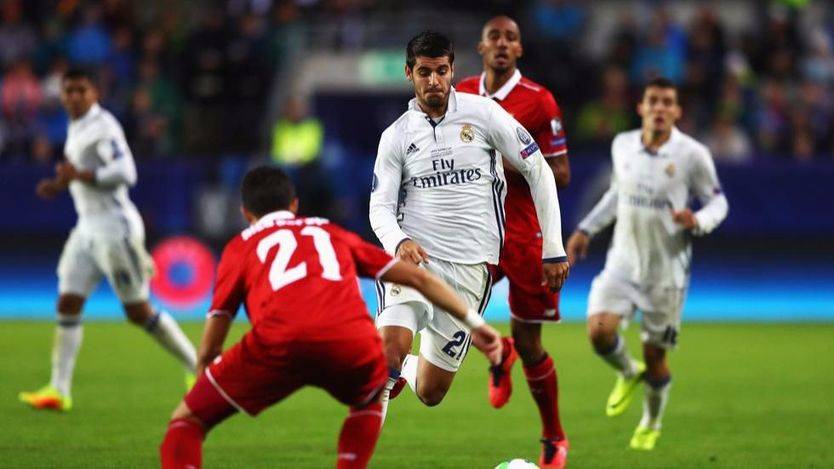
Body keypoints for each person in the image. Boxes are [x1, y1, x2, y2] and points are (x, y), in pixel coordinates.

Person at [159, 166, 502, 469]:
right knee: (372, 395)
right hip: (349, 341)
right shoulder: (329, 231)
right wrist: (477, 325)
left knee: (186, 423)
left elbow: (216, 329)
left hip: (277, 343)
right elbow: (418, 277)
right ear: (294, 205)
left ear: (245, 212)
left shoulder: (240, 246)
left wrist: (204, 378)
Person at [369, 31, 570, 421]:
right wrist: (399, 240)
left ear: (451, 70)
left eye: (441, 71)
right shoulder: (395, 137)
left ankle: (408, 369)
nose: (434, 82)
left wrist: (554, 249)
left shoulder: (483, 114)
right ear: (409, 73)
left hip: (470, 271)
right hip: (414, 263)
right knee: (386, 357)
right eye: (424, 72)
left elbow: (538, 170)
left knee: (430, 391)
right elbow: (379, 206)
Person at [19, 68, 197, 412]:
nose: (73, 97)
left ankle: (198, 369)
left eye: (80, 91)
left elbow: (126, 173)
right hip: (86, 229)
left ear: (94, 94)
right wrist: (59, 185)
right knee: (68, 302)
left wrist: (80, 175)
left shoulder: (104, 128)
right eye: (68, 90)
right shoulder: (78, 125)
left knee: (137, 310)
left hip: (115, 230)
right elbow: (82, 174)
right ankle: (59, 390)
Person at [566, 77, 729, 450]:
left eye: (666, 102)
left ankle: (651, 422)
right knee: (598, 332)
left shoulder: (692, 154)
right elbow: (616, 195)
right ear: (640, 108)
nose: (659, 108)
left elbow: (718, 201)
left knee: (656, 357)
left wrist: (699, 220)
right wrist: (585, 230)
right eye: (652, 101)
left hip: (666, 272)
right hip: (622, 264)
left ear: (676, 111)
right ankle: (627, 371)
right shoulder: (622, 144)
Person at [456, 15, 571, 468]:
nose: (502, 44)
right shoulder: (459, 92)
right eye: (494, 38)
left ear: (519, 50)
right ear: (480, 48)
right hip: (469, 231)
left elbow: (559, 174)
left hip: (523, 234)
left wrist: (503, 161)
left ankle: (554, 436)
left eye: (510, 38)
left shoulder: (539, 102)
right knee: (447, 311)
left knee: (529, 341)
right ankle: (494, 349)